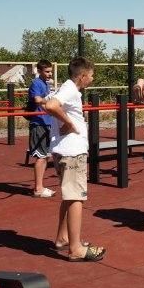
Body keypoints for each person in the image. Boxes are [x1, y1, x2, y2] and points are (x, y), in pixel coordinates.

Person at [45, 57, 105, 262]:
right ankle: (75, 248)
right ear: (82, 76)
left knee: (69, 196)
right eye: (91, 75)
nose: (92, 79)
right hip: (71, 152)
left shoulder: (67, 89)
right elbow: (51, 105)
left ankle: (63, 237)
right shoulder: (70, 89)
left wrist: (65, 121)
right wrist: (69, 123)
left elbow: (48, 102)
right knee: (76, 198)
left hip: (66, 150)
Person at [27, 59, 56, 198]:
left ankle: (40, 186)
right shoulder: (36, 83)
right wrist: (51, 100)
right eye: (47, 71)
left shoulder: (45, 84)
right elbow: (38, 100)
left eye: (51, 71)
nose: (50, 74)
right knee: (41, 156)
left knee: (45, 156)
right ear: (39, 71)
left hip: (46, 122)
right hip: (38, 123)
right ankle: (38, 188)